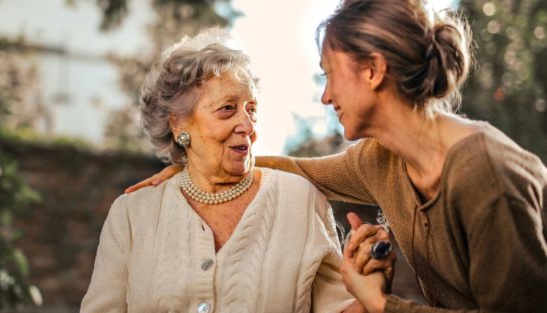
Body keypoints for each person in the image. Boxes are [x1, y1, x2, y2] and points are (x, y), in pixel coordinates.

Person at [125, 1, 547, 312]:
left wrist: (381, 305)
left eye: (329, 74)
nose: (325, 96)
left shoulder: (486, 176)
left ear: (373, 70)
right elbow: (296, 168)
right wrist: (195, 167)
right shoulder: (381, 160)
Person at [81, 28, 394, 313]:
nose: (247, 126)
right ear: (178, 125)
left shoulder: (299, 200)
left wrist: (370, 288)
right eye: (227, 109)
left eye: (252, 109)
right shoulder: (132, 214)